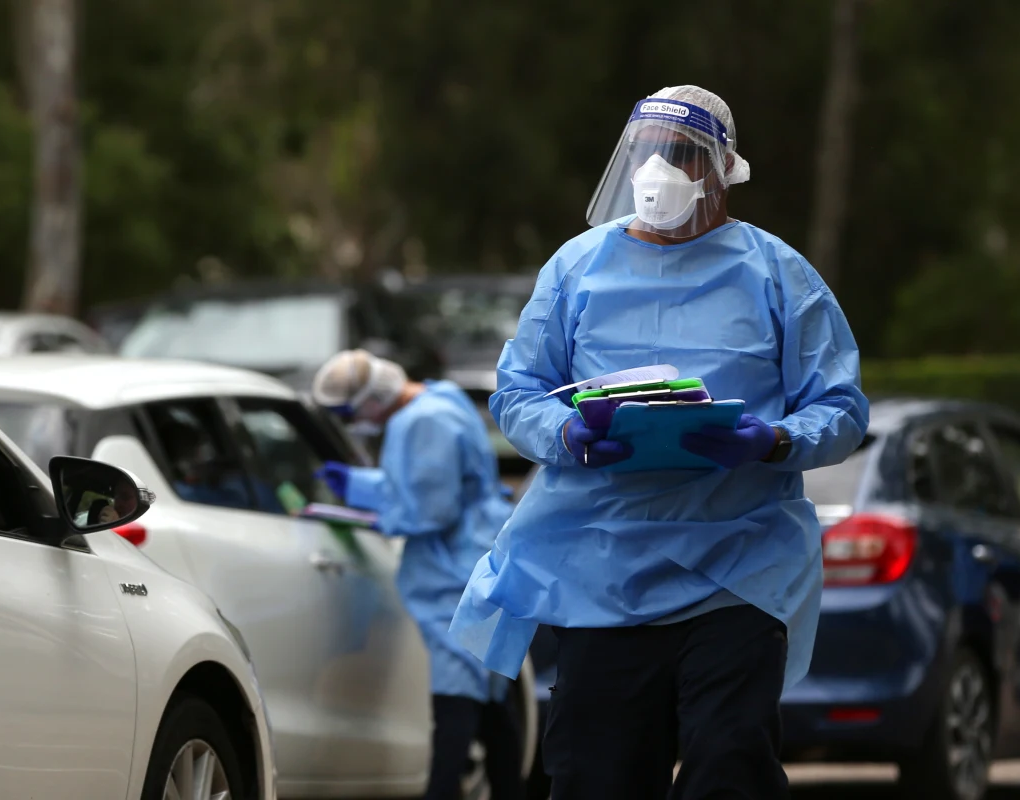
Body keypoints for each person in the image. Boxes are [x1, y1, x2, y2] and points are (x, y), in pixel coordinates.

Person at [449, 85, 870, 800]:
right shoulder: (576, 269)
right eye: (646, 154)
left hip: (736, 569)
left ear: (722, 171)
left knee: (729, 765)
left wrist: (772, 441)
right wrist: (568, 433)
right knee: (593, 775)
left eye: (681, 156)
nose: (658, 172)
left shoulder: (777, 274)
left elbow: (840, 405)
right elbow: (517, 392)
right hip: (600, 570)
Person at [312, 349, 524, 800]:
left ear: (370, 400)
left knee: (456, 695)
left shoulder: (418, 421)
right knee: (488, 696)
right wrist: (357, 485)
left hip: (452, 567)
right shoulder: (441, 398)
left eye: (348, 413)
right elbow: (420, 480)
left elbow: (429, 508)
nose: (353, 423)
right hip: (480, 551)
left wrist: (379, 519)